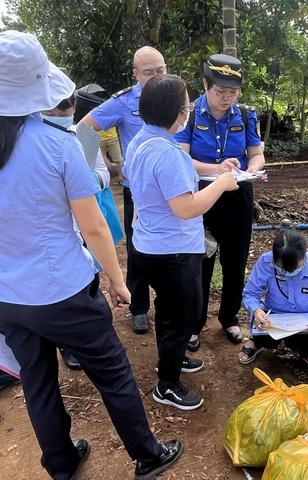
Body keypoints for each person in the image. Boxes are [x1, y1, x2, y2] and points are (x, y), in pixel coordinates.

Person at [0, 31, 182, 479]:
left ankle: (60, 463)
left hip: (7, 296)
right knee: (113, 373)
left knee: (38, 381)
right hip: (62, 290)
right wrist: (118, 281)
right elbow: (94, 226)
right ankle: (147, 455)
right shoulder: (55, 143)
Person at [124, 75, 238, 411]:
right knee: (182, 316)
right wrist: (222, 185)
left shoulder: (142, 140)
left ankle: (168, 361)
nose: (189, 111)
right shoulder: (167, 153)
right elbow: (186, 208)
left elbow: (176, 170)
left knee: (169, 313)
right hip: (173, 251)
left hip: (148, 244)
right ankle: (168, 385)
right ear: (177, 114)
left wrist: (217, 170)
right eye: (186, 106)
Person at [176, 53, 265, 351]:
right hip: (202, 196)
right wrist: (217, 169)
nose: (227, 98)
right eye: (220, 92)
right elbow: (182, 159)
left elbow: (255, 153)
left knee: (235, 262)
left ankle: (229, 317)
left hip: (238, 196)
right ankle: (194, 323)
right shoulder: (187, 115)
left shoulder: (245, 115)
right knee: (200, 263)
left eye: (233, 92)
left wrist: (252, 169)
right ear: (205, 84)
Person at [81, 46, 168, 334]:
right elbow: (84, 129)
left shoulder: (177, 94)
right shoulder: (122, 102)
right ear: (135, 74)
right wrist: (103, 166)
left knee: (174, 249)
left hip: (174, 191)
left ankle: (171, 307)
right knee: (137, 249)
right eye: (148, 73)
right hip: (139, 192)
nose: (156, 77)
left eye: (160, 70)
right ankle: (139, 307)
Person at [40, 90, 123, 370]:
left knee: (90, 277)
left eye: (64, 114)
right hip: (58, 228)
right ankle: (66, 345)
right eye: (51, 113)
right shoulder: (34, 142)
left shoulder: (83, 136)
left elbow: (103, 173)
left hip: (84, 217)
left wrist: (84, 179)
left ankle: (85, 341)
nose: (59, 119)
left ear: (74, 108)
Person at [239, 229, 308, 375]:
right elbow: (250, 293)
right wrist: (256, 310)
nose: (287, 272)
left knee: (302, 342)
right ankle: (257, 342)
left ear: (304, 254)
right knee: (265, 336)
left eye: (294, 267)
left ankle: (306, 352)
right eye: (281, 268)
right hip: (271, 316)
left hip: (305, 321)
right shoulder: (265, 262)